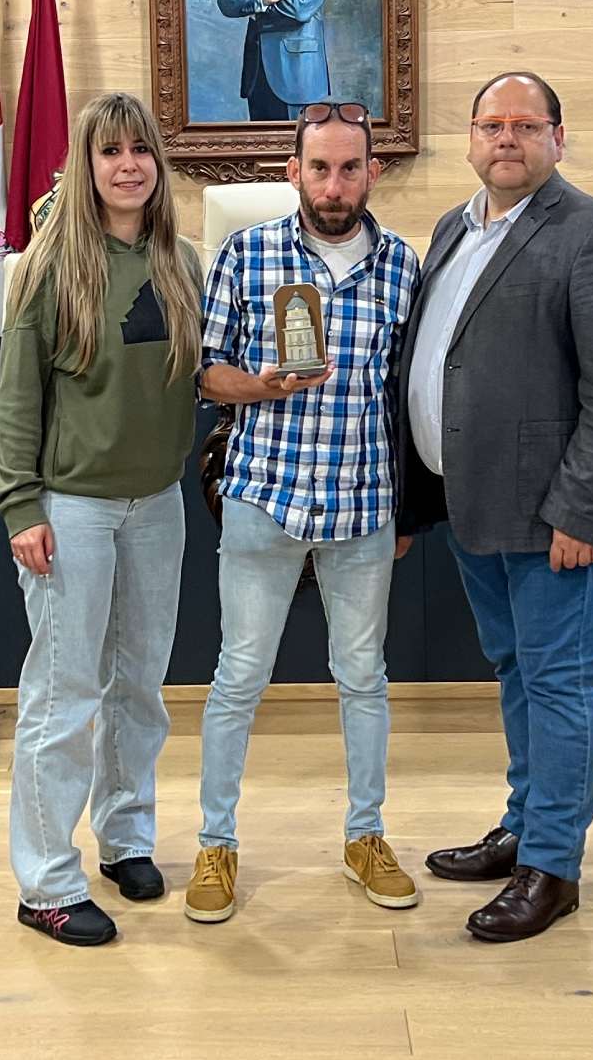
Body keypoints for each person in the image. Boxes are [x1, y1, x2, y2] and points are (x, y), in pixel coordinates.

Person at [399, 70, 593, 942]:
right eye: (490, 125)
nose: (505, 138)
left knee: (560, 684)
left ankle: (554, 865)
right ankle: (524, 825)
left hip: (555, 520)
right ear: (471, 140)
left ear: (558, 137)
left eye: (525, 124)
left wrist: (585, 513)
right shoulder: (453, 228)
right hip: (474, 507)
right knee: (519, 675)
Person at [186, 100, 421, 923]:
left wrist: (411, 515)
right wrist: (262, 385)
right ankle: (216, 844)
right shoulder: (246, 255)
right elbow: (206, 373)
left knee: (363, 678)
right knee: (239, 679)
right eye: (318, 167)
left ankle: (365, 835)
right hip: (264, 498)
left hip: (364, 506)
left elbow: (411, 396)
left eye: (349, 166)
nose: (334, 183)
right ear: (292, 172)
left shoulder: (401, 265)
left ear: (372, 171)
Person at [0, 92, 205, 947]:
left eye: (141, 151)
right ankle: (45, 881)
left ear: (158, 164)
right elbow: (14, 404)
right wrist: (20, 506)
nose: (127, 166)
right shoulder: (47, 267)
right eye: (109, 152)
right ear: (86, 166)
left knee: (139, 684)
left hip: (158, 504)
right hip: (69, 510)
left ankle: (126, 836)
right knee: (63, 694)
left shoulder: (183, 261)